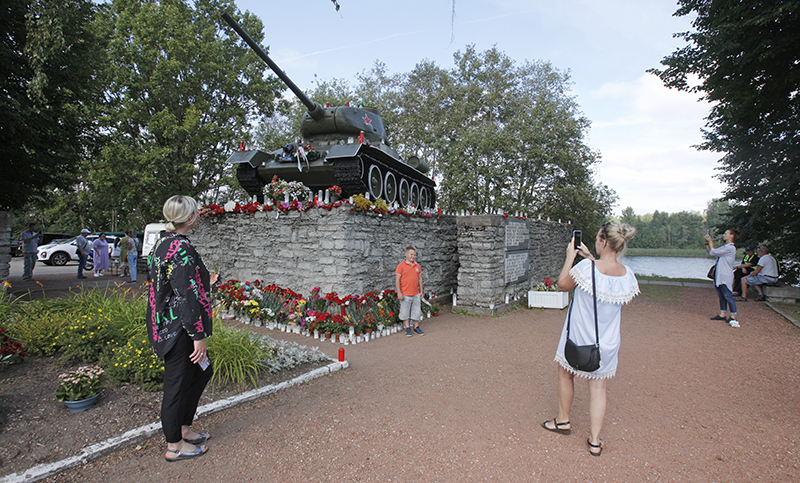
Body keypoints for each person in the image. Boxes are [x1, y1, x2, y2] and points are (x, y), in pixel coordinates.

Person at [542, 223, 639, 457]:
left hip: (579, 336)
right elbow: (604, 277)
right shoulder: (627, 274)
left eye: (597, 239)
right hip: (607, 342)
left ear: (603, 242)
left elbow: (562, 285)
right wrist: (590, 258)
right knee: (598, 387)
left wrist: (570, 257)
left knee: (565, 373)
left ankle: (563, 420)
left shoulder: (587, 268)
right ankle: (595, 441)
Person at [147, 195, 213, 462]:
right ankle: (174, 445)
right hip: (179, 328)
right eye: (196, 212)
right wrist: (197, 335)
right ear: (190, 218)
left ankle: (184, 428)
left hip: (169, 324)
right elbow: (185, 295)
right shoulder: (180, 248)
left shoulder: (163, 242)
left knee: (201, 372)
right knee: (177, 384)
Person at [705, 229, 740, 327]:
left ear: (731, 236)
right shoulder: (725, 247)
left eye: (726, 234)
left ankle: (733, 315)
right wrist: (707, 243)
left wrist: (711, 241)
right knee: (721, 295)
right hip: (719, 274)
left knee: (728, 295)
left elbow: (713, 252)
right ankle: (723, 313)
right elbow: (711, 252)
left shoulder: (730, 248)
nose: (724, 235)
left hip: (725, 275)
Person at [395, 245, 425, 337]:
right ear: (406, 254)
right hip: (405, 294)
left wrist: (421, 291)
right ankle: (407, 328)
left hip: (416, 293)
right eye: (411, 254)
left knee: (417, 311)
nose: (413, 256)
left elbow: (420, 279)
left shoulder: (417, 266)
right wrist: (399, 292)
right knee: (405, 311)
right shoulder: (401, 266)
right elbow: (397, 279)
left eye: (414, 255)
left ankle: (416, 327)